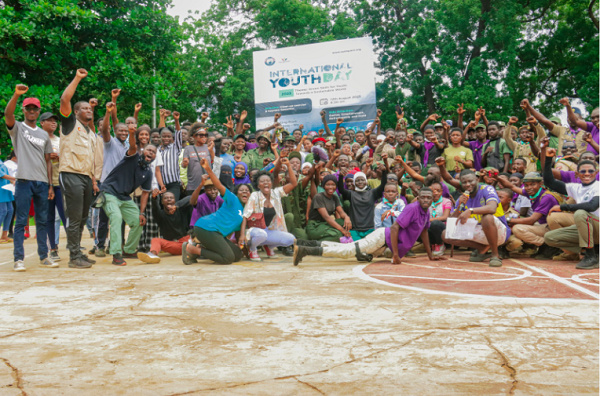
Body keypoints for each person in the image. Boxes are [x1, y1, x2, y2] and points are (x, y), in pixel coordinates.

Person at [293, 188, 444, 266]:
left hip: (385, 243)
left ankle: (305, 244)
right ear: (418, 197)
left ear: (432, 199)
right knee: (347, 251)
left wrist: (430, 255)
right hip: (382, 237)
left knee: (353, 249)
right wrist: (396, 255)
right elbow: (394, 228)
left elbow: (424, 231)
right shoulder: (412, 208)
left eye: (428, 198)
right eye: (423, 197)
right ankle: (305, 250)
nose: (425, 200)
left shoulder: (426, 212)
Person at [4, 84, 56, 272]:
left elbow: (48, 161)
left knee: (42, 220)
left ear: (38, 111)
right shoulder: (18, 128)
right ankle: (19, 259)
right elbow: (7, 114)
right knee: (21, 221)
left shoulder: (43, 134)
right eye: (29, 108)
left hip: (42, 183)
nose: (32, 111)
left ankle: (44, 256)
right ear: (24, 110)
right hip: (24, 180)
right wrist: (17, 94)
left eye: (35, 108)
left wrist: (50, 185)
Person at [58, 68, 101, 268]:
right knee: (74, 218)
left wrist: (93, 180)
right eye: (84, 108)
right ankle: (73, 257)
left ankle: (78, 253)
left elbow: (91, 159)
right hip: (71, 174)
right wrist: (77, 77)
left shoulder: (91, 133)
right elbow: (64, 99)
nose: (88, 110)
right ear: (76, 112)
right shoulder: (69, 123)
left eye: (90, 109)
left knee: (84, 216)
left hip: (85, 177)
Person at [100, 124, 155, 266]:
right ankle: (116, 253)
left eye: (154, 152)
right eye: (148, 150)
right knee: (116, 218)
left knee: (138, 221)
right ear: (142, 151)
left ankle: (129, 250)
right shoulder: (133, 157)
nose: (151, 153)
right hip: (109, 192)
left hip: (124, 197)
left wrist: (142, 213)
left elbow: (145, 194)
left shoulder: (148, 173)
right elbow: (131, 146)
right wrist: (131, 133)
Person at [183, 159, 250, 265]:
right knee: (228, 258)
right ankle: (192, 249)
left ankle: (201, 246)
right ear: (237, 193)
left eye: (247, 191)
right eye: (242, 190)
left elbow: (238, 236)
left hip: (217, 234)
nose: (245, 192)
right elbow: (218, 185)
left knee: (237, 255)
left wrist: (247, 253)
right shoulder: (233, 199)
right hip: (206, 228)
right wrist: (208, 169)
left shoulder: (246, 211)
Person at [542, 147, 599, 269]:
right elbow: (549, 182)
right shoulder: (576, 188)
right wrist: (548, 159)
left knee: (580, 213)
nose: (587, 174)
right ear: (577, 174)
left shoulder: (598, 186)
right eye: (583, 172)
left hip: (598, 226)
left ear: (595, 173)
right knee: (550, 238)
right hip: (590, 229)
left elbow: (592, 206)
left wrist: (563, 207)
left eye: (590, 171)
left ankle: (590, 256)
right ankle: (595, 252)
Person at [442, 170, 511, 267]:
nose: (467, 184)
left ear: (477, 179)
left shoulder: (487, 189)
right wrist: (459, 207)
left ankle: (495, 255)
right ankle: (483, 248)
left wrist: (470, 210)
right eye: (464, 182)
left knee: (487, 217)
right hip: (480, 232)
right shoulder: (463, 197)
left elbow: (491, 208)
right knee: (446, 234)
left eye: (471, 181)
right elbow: (452, 222)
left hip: (499, 232)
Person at [239, 157, 297, 261]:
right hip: (255, 231)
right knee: (262, 234)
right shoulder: (254, 196)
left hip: (269, 231)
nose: (266, 183)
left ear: (271, 183)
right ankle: (252, 249)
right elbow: (245, 216)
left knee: (290, 239)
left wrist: (288, 165)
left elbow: (293, 183)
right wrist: (242, 235)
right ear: (258, 185)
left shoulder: (276, 193)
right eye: (262, 181)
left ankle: (268, 246)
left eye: (268, 180)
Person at [496, 171, 561, 259]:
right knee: (519, 223)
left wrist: (506, 220)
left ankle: (548, 245)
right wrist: (496, 177)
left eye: (532, 184)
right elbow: (511, 186)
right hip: (545, 225)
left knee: (517, 229)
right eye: (526, 185)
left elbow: (531, 220)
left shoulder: (546, 197)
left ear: (540, 183)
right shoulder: (534, 192)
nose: (529, 187)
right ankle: (545, 245)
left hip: (554, 228)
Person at [338, 157, 388, 240]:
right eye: (357, 180)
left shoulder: (372, 193)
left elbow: (383, 186)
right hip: (355, 229)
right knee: (357, 249)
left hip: (370, 228)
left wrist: (384, 172)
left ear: (366, 181)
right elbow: (341, 190)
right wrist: (340, 176)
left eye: (362, 180)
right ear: (354, 183)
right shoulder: (351, 194)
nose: (360, 182)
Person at [136, 192, 192, 264]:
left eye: (171, 198)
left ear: (175, 200)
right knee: (156, 240)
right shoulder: (160, 215)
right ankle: (152, 255)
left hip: (185, 244)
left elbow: (190, 197)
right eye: (166, 198)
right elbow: (155, 209)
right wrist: (154, 198)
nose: (169, 199)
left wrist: (176, 206)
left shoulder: (182, 211)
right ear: (162, 202)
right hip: (171, 245)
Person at [182, 124, 212, 196]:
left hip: (207, 185)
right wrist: (185, 163)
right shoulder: (188, 148)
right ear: (194, 136)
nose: (204, 137)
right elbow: (184, 165)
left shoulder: (209, 147)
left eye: (205, 135)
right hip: (193, 186)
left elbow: (213, 162)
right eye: (201, 135)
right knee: (193, 206)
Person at [427, 181, 452, 256]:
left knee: (435, 224)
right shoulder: (427, 201)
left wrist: (428, 221)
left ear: (442, 191)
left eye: (438, 191)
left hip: (442, 229)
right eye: (433, 191)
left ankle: (440, 244)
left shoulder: (446, 201)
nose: (436, 193)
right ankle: (432, 244)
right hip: (429, 228)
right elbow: (413, 203)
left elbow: (445, 217)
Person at [0, 150, 15, 244]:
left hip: (6, 189)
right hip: (1, 190)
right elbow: (2, 175)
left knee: (10, 210)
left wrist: (11, 181)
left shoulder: (1, 162)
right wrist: (14, 178)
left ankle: (4, 234)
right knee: (3, 211)